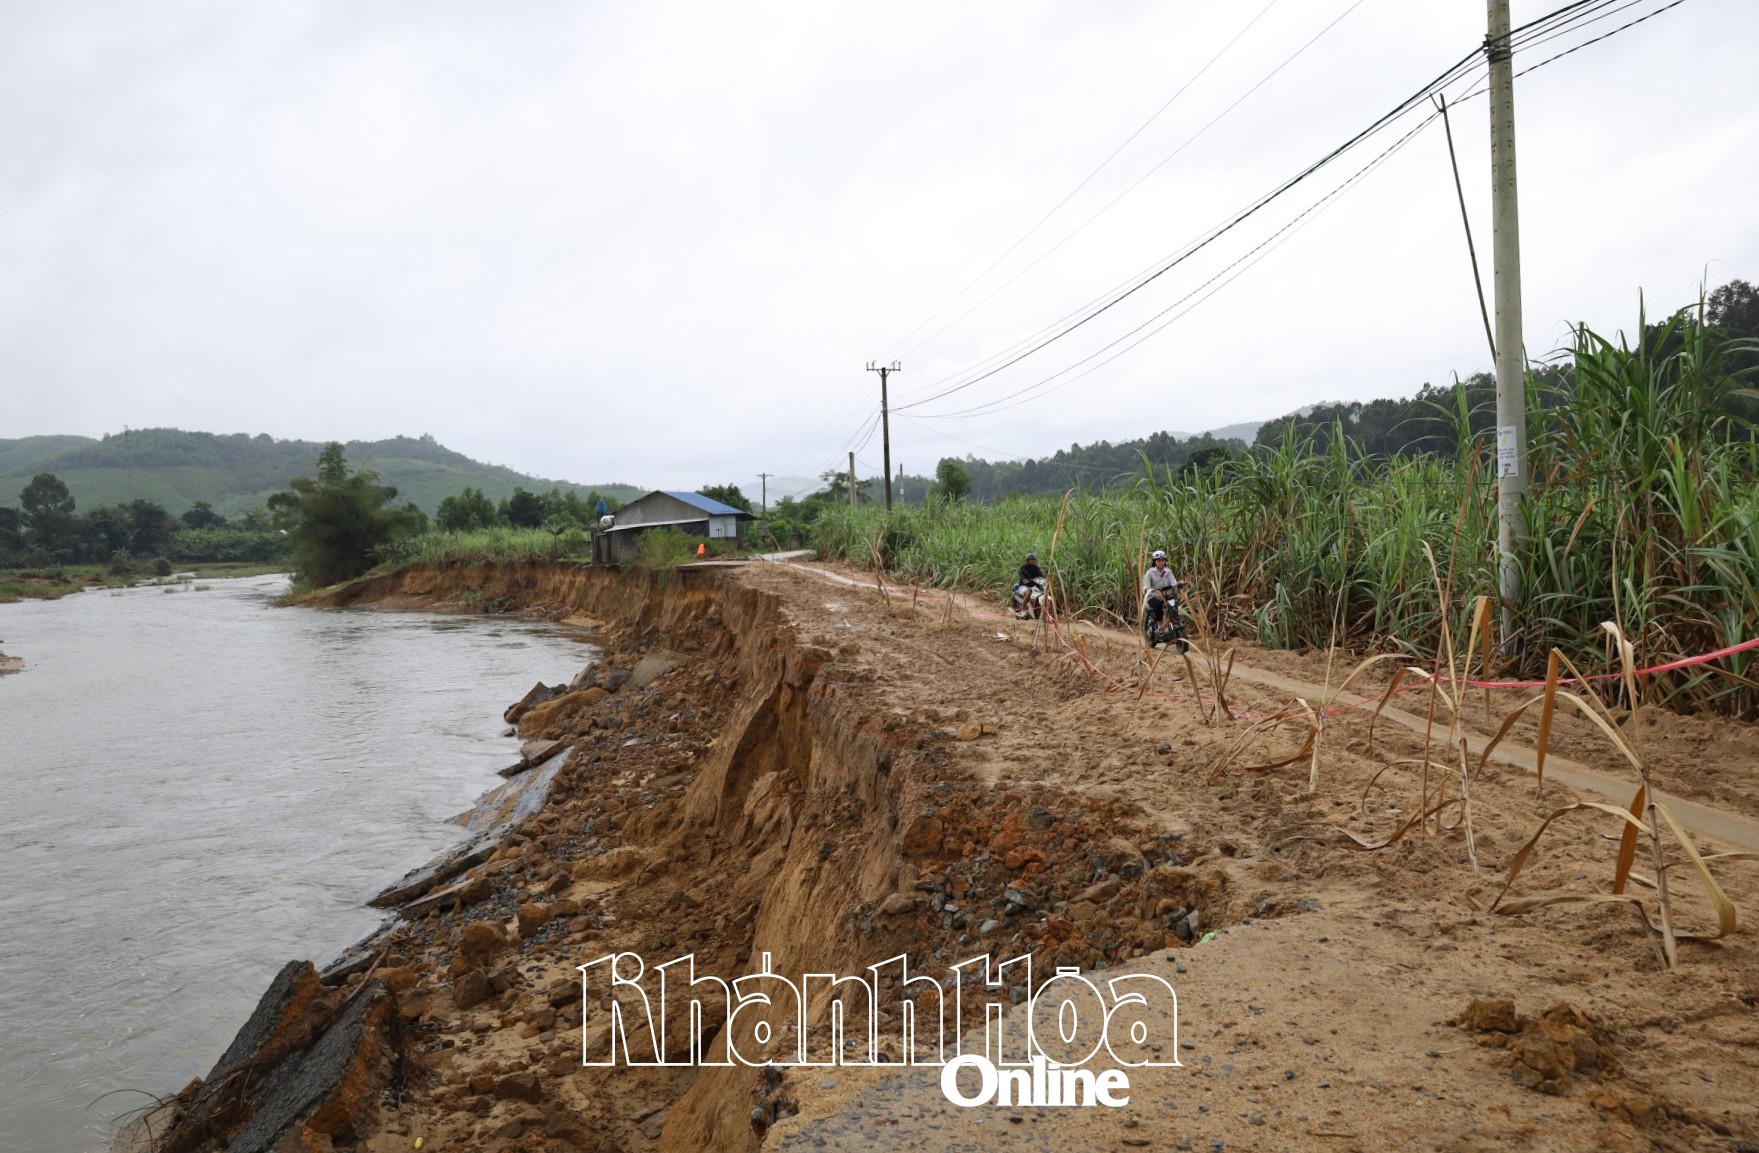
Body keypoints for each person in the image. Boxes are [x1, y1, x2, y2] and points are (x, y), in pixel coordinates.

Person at [1142, 549, 1180, 627]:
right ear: (1154, 562)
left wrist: (1178, 585)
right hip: (1153, 596)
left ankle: (1174, 620)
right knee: (1158, 603)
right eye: (1158, 560)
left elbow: (1174, 583)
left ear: (1165, 561)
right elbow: (1146, 586)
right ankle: (1159, 621)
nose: (1161, 562)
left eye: (1163, 560)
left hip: (1166, 595)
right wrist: (1149, 590)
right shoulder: (1150, 573)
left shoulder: (1168, 572)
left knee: (1174, 604)